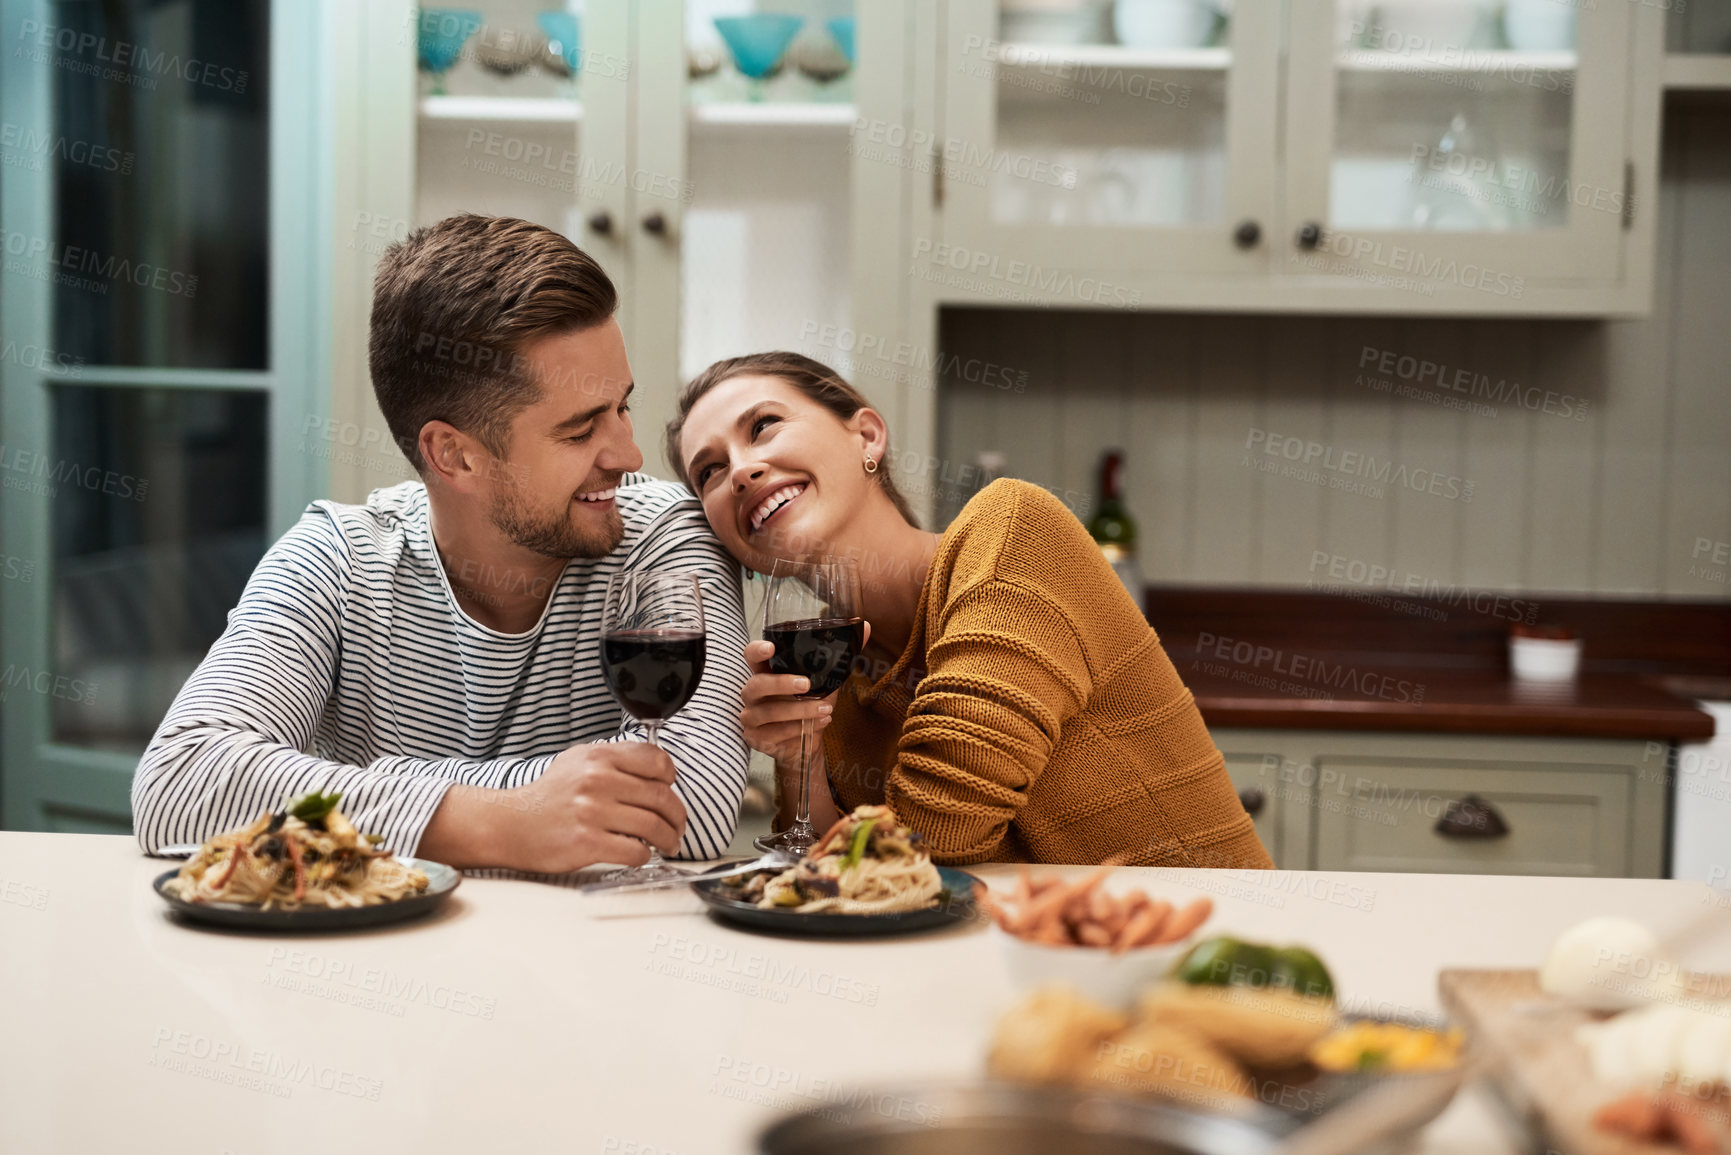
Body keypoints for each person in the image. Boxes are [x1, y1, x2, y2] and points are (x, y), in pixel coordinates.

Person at [131, 215, 750, 872]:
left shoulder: (664, 539)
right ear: (453, 455)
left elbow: (695, 805)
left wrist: (335, 786)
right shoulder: (337, 559)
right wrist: (501, 821)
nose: (627, 453)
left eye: (621, 405)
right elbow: (179, 782)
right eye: (578, 431)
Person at [666, 351, 1271, 869]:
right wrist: (800, 760)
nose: (740, 472)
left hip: (1207, 960)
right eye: (709, 472)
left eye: (764, 426)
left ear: (867, 437)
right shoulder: (838, 693)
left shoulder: (1013, 534)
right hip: (1026, 978)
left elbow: (936, 842)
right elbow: (839, 884)